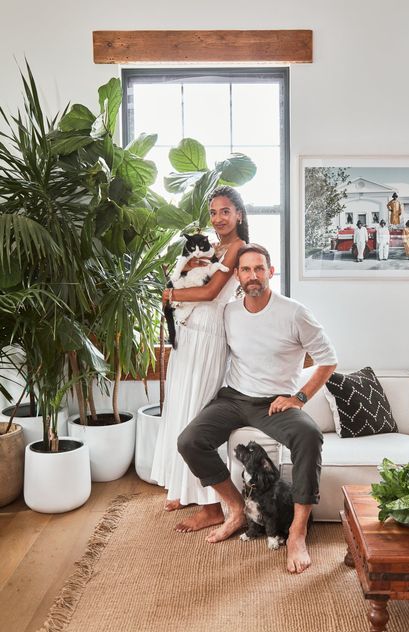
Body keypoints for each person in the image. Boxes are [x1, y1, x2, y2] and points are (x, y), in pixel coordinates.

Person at [177, 244, 338, 574]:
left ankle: (297, 532)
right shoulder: (230, 312)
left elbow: (328, 359)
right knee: (189, 441)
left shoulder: (294, 313)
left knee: (309, 436)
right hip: (234, 398)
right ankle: (236, 509)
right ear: (238, 275)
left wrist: (300, 398)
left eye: (259, 269)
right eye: (246, 269)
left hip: (274, 404)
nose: (253, 276)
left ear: (270, 272)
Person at [150, 185, 248, 518]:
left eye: (225, 211)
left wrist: (171, 297)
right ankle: (183, 488)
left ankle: (211, 505)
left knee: (197, 413)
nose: (218, 218)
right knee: (180, 407)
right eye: (213, 212)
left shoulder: (238, 248)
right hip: (187, 336)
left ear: (238, 214)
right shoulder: (212, 247)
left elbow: (209, 293)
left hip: (209, 336)